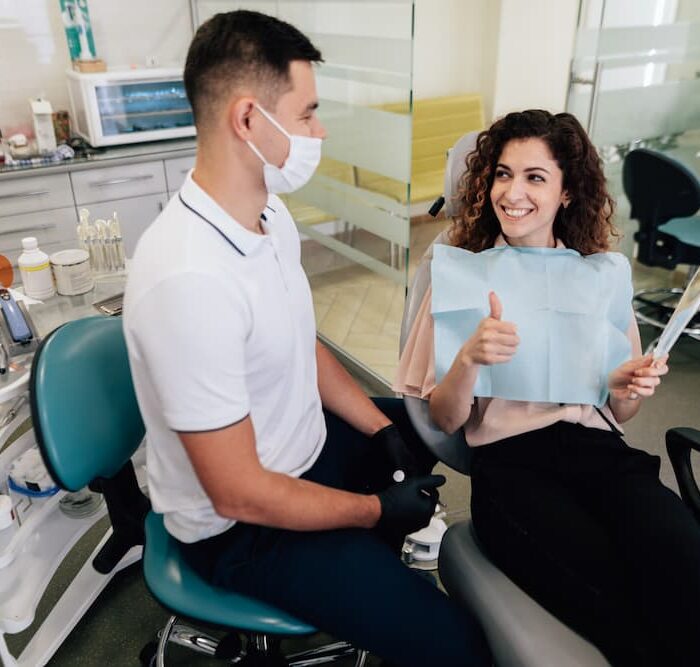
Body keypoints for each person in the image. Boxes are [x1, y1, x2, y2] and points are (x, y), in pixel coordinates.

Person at [122, 10, 491, 667]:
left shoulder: (266, 210)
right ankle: (365, 566)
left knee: (429, 429)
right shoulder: (187, 279)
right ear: (246, 119)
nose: (319, 132)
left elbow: (301, 342)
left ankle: (367, 562)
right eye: (307, 113)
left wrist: (382, 430)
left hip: (301, 446)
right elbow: (238, 491)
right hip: (242, 526)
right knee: (458, 644)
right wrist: (374, 510)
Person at [395, 109, 700, 667]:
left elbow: (622, 412)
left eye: (536, 177)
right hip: (513, 468)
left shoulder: (599, 275)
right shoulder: (460, 273)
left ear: (566, 193)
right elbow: (441, 419)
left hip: (602, 456)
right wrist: (468, 358)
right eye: (503, 174)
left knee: (683, 559)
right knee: (615, 600)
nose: (513, 192)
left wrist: (632, 384)